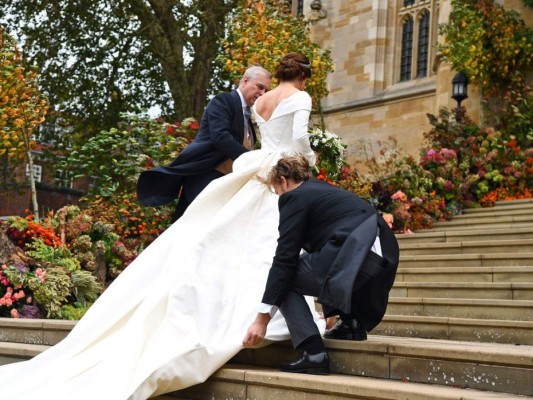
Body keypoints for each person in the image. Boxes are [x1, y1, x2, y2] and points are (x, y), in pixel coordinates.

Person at [0, 53, 324, 399]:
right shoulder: (289, 98)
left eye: (264, 86)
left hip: (254, 173)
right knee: (264, 241)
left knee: (226, 236)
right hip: (266, 173)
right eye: (257, 87)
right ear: (303, 77)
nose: (261, 92)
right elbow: (297, 139)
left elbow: (263, 139)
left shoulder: (261, 106)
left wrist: (254, 161)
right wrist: (311, 161)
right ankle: (265, 314)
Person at [243, 155, 400, 375]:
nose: (278, 195)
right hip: (383, 253)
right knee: (319, 261)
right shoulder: (322, 190)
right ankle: (351, 325)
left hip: (357, 254)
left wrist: (262, 319)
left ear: (283, 180)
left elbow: (285, 259)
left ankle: (313, 352)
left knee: (287, 277)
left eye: (276, 189)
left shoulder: (293, 197)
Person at [137, 65, 272, 221]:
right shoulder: (224, 100)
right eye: (260, 87)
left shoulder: (248, 116)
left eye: (266, 91)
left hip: (226, 185)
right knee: (193, 230)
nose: (262, 93)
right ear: (245, 81)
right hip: (204, 177)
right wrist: (250, 160)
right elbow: (220, 136)